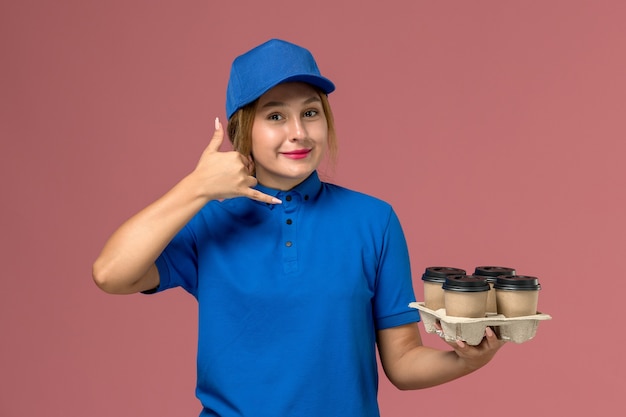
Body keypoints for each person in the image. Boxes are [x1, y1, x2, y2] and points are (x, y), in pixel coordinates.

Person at [93, 38, 503, 417]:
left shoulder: (374, 221)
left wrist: (466, 358)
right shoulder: (208, 222)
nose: (299, 133)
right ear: (243, 130)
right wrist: (195, 189)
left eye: (310, 112)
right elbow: (111, 274)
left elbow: (403, 362)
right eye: (275, 116)